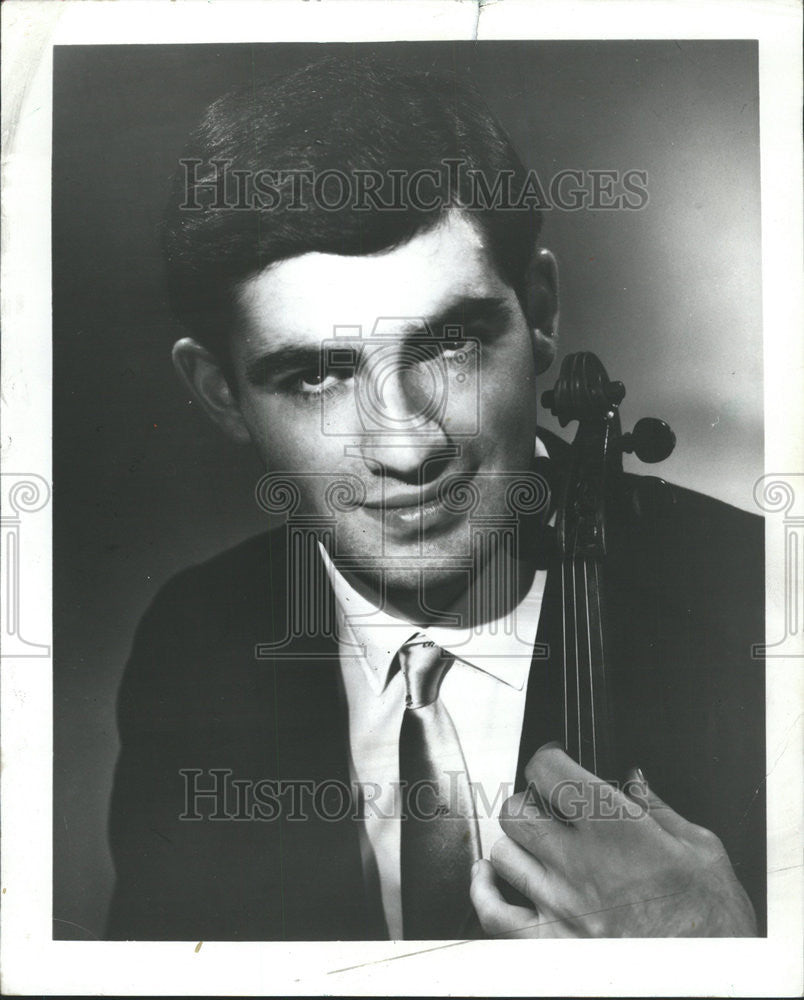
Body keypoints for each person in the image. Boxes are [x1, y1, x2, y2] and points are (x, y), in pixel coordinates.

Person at [106, 55, 765, 941]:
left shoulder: (760, 599)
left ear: (538, 312)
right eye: (313, 376)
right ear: (221, 393)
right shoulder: (195, 639)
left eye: (451, 347)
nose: (407, 443)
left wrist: (725, 951)